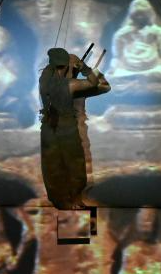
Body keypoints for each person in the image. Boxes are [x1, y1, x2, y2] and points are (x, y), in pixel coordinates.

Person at [39, 47, 110, 210]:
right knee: (74, 165)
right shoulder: (71, 85)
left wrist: (71, 71)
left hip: (49, 127)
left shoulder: (44, 80)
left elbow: (51, 70)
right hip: (67, 129)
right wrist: (85, 69)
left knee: (53, 166)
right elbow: (102, 85)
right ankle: (74, 199)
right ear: (65, 66)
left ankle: (63, 202)